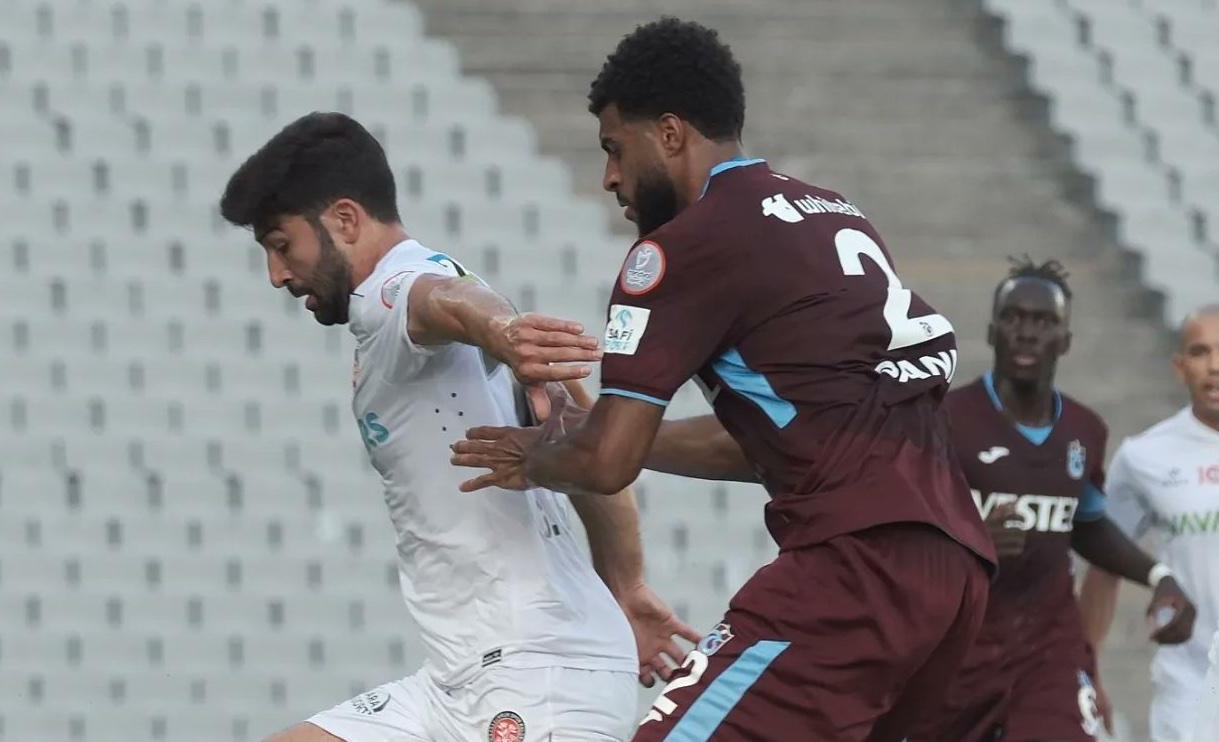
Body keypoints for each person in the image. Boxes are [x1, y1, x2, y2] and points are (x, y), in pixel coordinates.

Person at [449, 18, 998, 740]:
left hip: (853, 570)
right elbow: (785, 434)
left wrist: (542, 454)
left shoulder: (681, 250)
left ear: (669, 134)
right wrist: (620, 435)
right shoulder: (834, 213)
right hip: (956, 574)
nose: (609, 177)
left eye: (615, 148)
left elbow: (605, 466)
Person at [218, 111, 698, 741]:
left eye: (281, 245)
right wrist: (626, 585)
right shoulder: (428, 289)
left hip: (535, 674)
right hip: (461, 676)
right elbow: (586, 444)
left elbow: (445, 304)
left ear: (343, 220)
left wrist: (501, 331)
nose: (277, 274)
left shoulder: (395, 289)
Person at [906, 259, 1195, 742]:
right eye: (1014, 318)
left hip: (1047, 651)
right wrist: (970, 542)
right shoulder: (945, 421)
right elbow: (902, 539)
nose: (1026, 332)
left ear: (1064, 340)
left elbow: (1086, 523)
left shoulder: (1084, 431)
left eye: (1042, 322)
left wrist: (1158, 576)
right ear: (991, 331)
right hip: (957, 653)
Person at [1079, 304, 1219, 742]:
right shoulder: (1144, 456)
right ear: (1179, 367)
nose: (1215, 366)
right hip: (1189, 686)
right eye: (1200, 352)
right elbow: (1104, 565)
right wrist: (1087, 670)